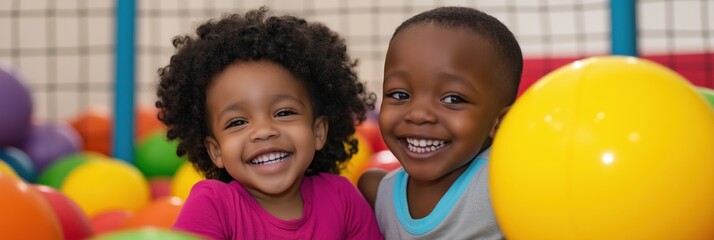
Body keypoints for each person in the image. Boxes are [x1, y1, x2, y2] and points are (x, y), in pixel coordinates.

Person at [156, 7, 382, 239]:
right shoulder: (213, 205)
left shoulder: (342, 198)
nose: (263, 131)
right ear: (216, 151)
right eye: (237, 122)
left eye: (284, 113)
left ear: (318, 132)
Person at [358, 6, 523, 239]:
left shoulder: (504, 186)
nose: (418, 114)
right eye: (400, 95)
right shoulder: (382, 193)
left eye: (452, 99)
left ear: (500, 122)